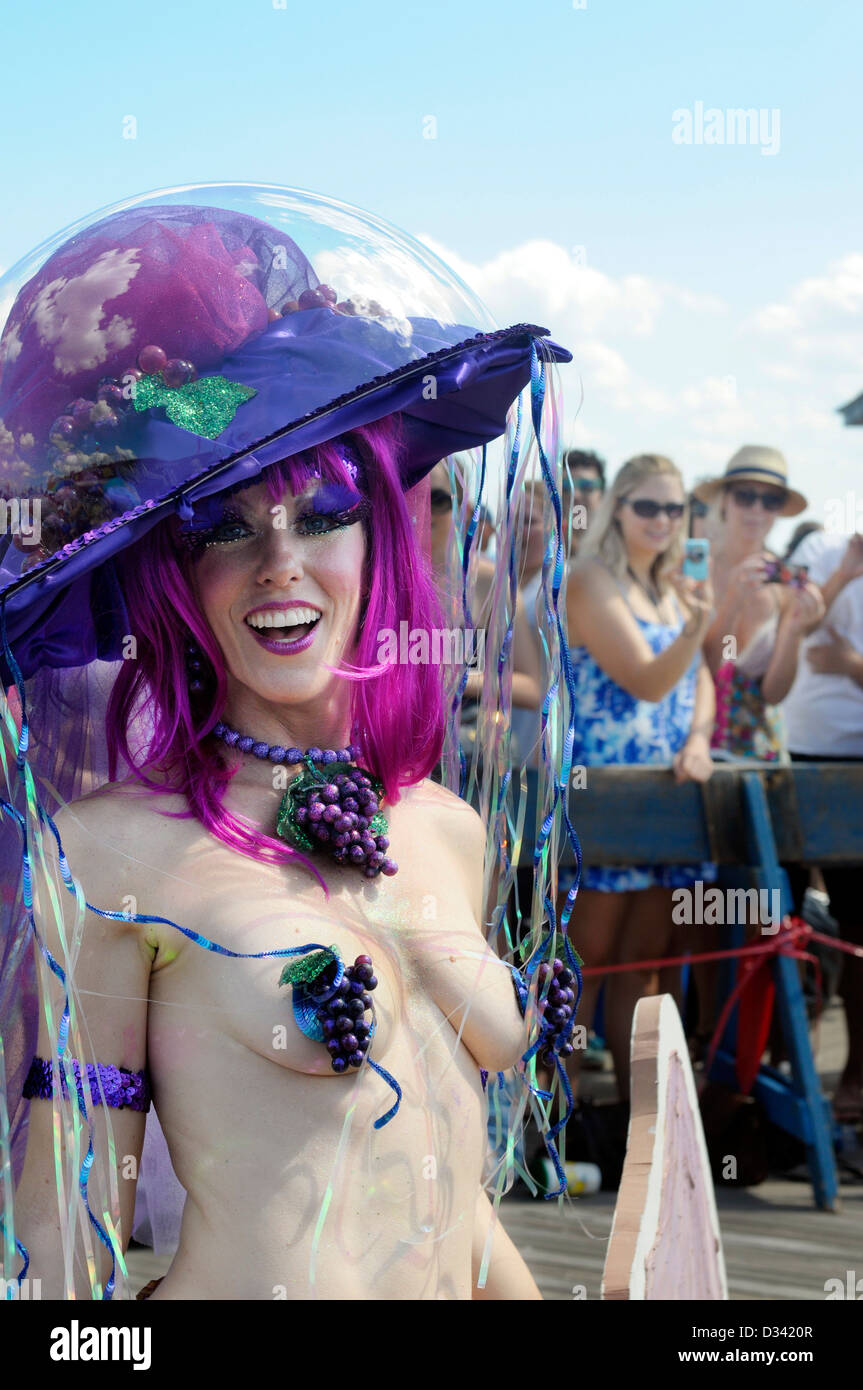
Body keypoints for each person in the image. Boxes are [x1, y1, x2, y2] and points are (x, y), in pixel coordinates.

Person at [0, 188, 575, 1300]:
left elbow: (441, 1176)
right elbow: (69, 1249)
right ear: (174, 574)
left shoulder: (444, 830)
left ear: (380, 536)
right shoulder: (111, 856)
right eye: (225, 527)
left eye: (321, 512)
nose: (281, 564)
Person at [559, 454, 715, 1102]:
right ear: (617, 509)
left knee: (641, 972)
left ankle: (633, 1131)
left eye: (672, 508)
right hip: (606, 799)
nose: (661, 519)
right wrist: (699, 626)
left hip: (664, 798)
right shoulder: (591, 578)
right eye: (646, 506)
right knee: (581, 969)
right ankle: (542, 1131)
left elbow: (701, 681)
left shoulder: (673, 589)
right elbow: (648, 681)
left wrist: (700, 739)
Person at [781, 528, 863, 1125]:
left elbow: (829, 653)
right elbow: (797, 635)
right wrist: (844, 576)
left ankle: (853, 1078)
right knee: (780, 920)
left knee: (857, 930)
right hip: (807, 758)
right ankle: (774, 1081)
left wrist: (852, 663)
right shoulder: (822, 550)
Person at [695, 448, 824, 762]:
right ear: (724, 499)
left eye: (771, 501)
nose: (757, 509)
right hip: (693, 751)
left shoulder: (786, 583)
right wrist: (733, 603)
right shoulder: (697, 570)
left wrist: (794, 632)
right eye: (745, 496)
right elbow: (705, 669)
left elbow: (773, 694)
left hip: (761, 755)